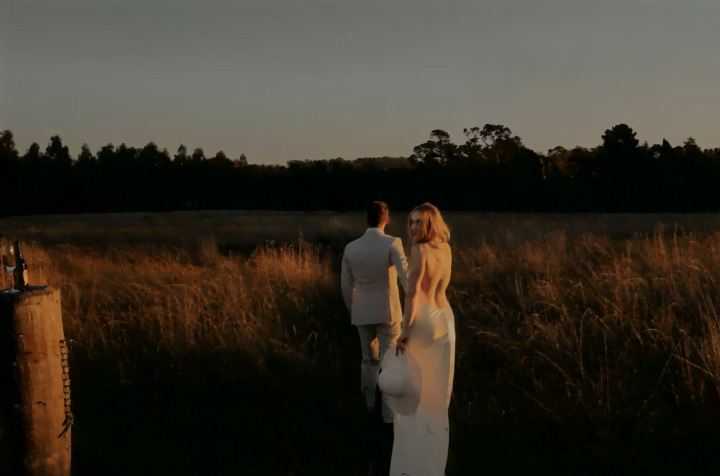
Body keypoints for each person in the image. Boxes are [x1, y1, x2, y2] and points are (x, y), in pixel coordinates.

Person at [381, 202, 456, 476]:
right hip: (445, 317)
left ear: (430, 223)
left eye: (419, 222)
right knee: (438, 394)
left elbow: (413, 293)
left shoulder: (419, 250)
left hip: (424, 319)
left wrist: (405, 330)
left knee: (415, 392)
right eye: (411, 221)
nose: (413, 227)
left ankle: (412, 465)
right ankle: (435, 460)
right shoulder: (445, 248)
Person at [341, 201, 410, 425]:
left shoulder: (351, 248)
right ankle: (389, 416)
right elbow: (405, 277)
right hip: (388, 312)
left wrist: (353, 311)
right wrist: (416, 304)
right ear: (386, 220)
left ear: (366, 219)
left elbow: (346, 286)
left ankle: (368, 407)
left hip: (362, 313)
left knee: (368, 361)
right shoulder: (392, 243)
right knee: (390, 363)